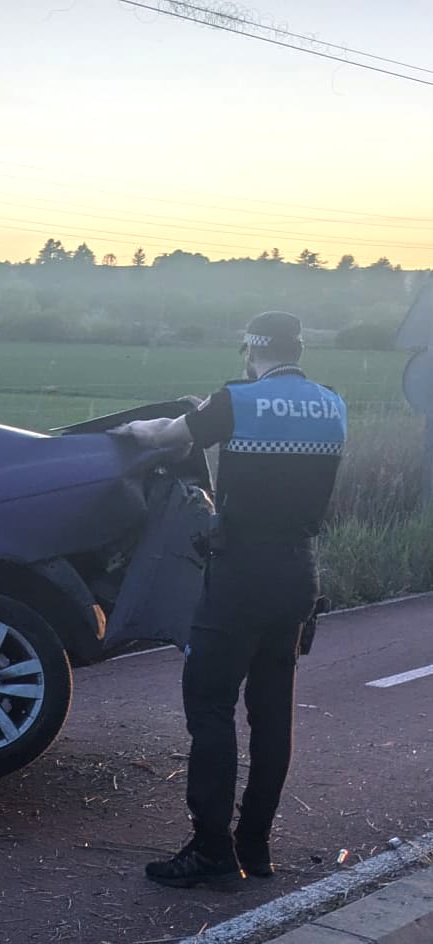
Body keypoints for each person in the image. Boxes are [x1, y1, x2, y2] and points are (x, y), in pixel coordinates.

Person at [111, 311, 346, 888]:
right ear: (299, 350)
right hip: (298, 573)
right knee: (272, 712)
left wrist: (128, 431)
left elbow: (164, 437)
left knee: (211, 705)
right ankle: (255, 846)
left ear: (250, 349)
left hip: (240, 573)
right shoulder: (332, 405)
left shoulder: (236, 401)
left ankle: (211, 849)